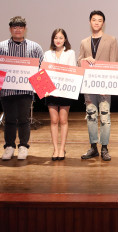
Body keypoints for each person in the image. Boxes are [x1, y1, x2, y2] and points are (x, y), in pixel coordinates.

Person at [0, 16, 43, 161]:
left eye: (20, 27)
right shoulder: (0, 47)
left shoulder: (35, 47)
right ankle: (9, 146)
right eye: (15, 27)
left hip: (26, 90)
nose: (18, 30)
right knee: (10, 119)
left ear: (25, 29)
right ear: (10, 29)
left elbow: (41, 68)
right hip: (7, 90)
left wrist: (44, 88)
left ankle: (23, 146)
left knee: (24, 119)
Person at [77, 10, 118, 161]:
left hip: (105, 86)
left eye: (99, 20)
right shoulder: (84, 42)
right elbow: (79, 62)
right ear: (90, 22)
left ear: (103, 23)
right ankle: (93, 147)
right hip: (89, 85)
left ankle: (105, 148)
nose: (96, 22)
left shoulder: (111, 40)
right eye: (94, 20)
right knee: (91, 116)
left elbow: (114, 63)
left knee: (105, 117)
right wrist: (84, 60)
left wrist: (109, 85)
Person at [43, 28, 76, 161]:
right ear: (52, 39)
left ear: (65, 39)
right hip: (50, 92)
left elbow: (72, 71)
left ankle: (62, 148)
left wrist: (60, 89)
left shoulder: (70, 53)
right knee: (54, 120)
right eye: (56, 37)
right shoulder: (47, 54)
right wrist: (51, 90)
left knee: (63, 120)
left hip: (65, 91)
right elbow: (44, 72)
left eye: (61, 38)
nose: (58, 40)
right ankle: (55, 149)